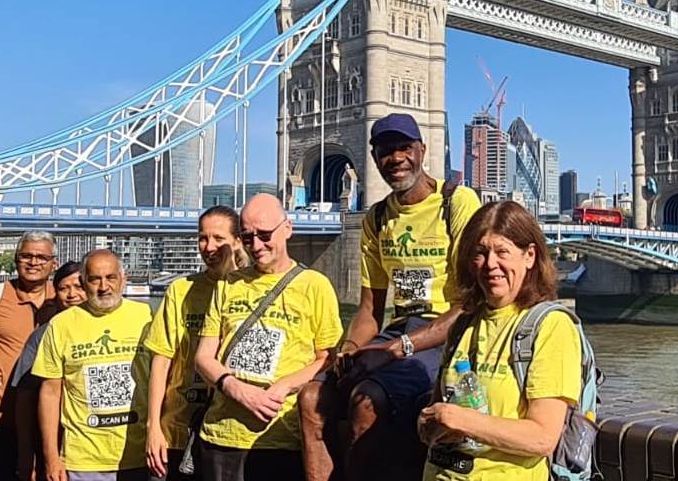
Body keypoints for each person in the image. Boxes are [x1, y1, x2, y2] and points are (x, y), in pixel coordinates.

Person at [298, 113, 481, 481]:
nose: (395, 158)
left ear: (422, 150)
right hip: (397, 331)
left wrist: (406, 346)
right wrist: (350, 347)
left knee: (366, 402)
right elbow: (369, 309)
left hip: (445, 334)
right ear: (374, 157)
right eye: (385, 151)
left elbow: (469, 303)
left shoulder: (456, 203)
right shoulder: (377, 217)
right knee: (310, 399)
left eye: (404, 148)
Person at [417, 201, 581, 480]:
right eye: (480, 253)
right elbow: (437, 413)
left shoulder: (551, 327)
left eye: (502, 251)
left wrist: (462, 420)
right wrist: (428, 425)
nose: (491, 264)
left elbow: (542, 438)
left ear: (529, 256)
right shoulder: (464, 324)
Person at [194, 193, 343, 481]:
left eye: (264, 235)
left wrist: (283, 386)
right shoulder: (229, 284)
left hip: (282, 436)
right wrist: (238, 389)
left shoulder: (315, 285)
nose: (256, 245)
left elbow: (328, 358)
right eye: (247, 237)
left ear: (287, 228)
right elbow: (203, 357)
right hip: (221, 436)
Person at [145, 206, 250, 480]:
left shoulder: (251, 290)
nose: (208, 246)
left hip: (230, 429)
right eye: (202, 238)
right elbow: (161, 360)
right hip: (178, 429)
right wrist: (153, 426)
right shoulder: (180, 291)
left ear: (238, 241)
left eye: (218, 238)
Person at [32, 249, 152, 481]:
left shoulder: (146, 316)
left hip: (139, 454)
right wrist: (51, 456)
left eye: (111, 278)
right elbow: (49, 393)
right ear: (84, 282)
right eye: (95, 279)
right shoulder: (61, 325)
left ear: (123, 279)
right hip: (84, 460)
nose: (103, 286)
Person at [0, 230, 59, 480]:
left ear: (53, 264)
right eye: (26, 255)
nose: (33, 262)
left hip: (51, 417)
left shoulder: (63, 299)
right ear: (16, 260)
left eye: (41, 257)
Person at [12, 261, 87, 481]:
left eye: (79, 286)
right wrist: (26, 453)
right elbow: (25, 398)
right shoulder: (43, 335)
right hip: (55, 442)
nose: (72, 294)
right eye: (64, 288)